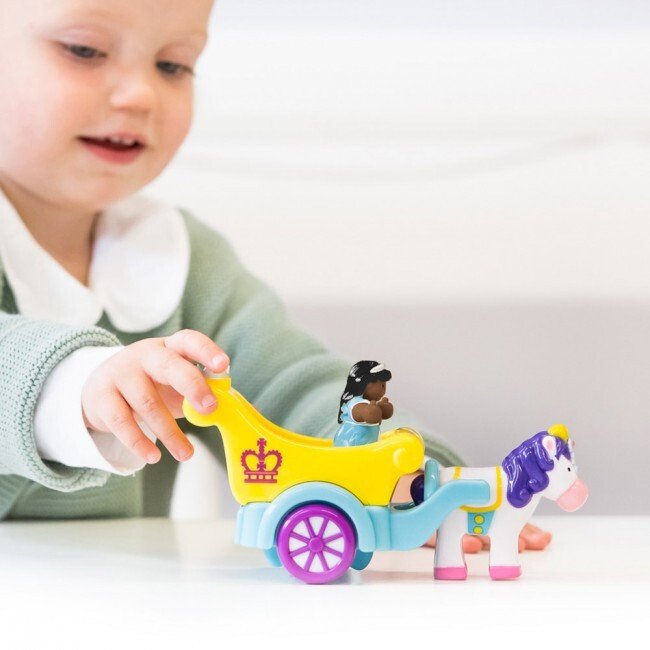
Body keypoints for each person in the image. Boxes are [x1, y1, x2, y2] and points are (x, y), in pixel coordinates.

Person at [0, 0, 550, 551]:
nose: (141, 93)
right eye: (84, 50)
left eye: (172, 65)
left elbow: (294, 388)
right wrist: (77, 384)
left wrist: (411, 482)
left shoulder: (179, 257)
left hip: (115, 592)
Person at [333, 361, 394, 446]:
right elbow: (368, 414)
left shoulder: (368, 403)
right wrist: (371, 411)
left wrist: (383, 408)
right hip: (349, 446)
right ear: (366, 384)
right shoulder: (355, 403)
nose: (384, 390)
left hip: (366, 446)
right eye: (382, 385)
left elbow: (379, 413)